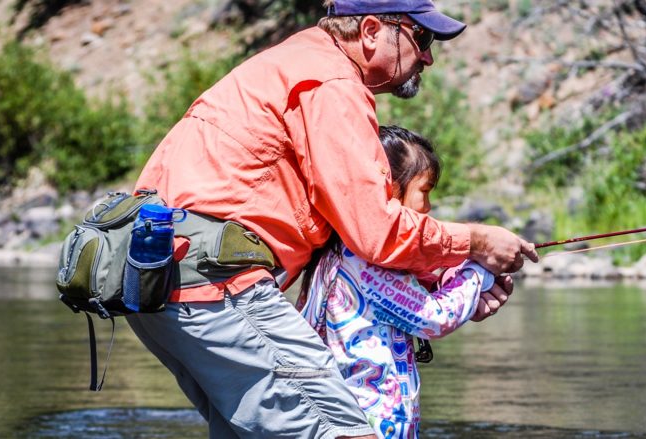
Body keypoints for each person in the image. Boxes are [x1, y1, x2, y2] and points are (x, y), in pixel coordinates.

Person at [125, 0, 537, 438]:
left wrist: (445, 277)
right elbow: (375, 233)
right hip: (212, 283)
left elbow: (349, 237)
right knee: (341, 433)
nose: (428, 56)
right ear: (373, 30)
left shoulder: (288, 63)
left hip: (152, 280)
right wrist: (477, 243)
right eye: (421, 38)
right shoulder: (333, 82)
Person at [298, 125, 492, 438]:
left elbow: (400, 292)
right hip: (372, 424)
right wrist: (479, 271)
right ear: (388, 190)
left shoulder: (338, 251)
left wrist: (445, 274)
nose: (427, 208)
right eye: (424, 192)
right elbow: (435, 318)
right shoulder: (368, 263)